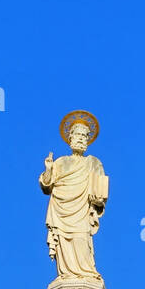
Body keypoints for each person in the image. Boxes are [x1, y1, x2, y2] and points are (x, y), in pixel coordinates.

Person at [40, 115, 108, 278]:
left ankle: (85, 273)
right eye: (78, 135)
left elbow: (100, 190)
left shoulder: (93, 163)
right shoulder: (61, 162)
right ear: (70, 138)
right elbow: (46, 185)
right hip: (61, 212)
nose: (81, 139)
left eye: (84, 136)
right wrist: (49, 169)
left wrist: (98, 199)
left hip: (82, 213)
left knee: (81, 240)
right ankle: (66, 274)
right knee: (64, 246)